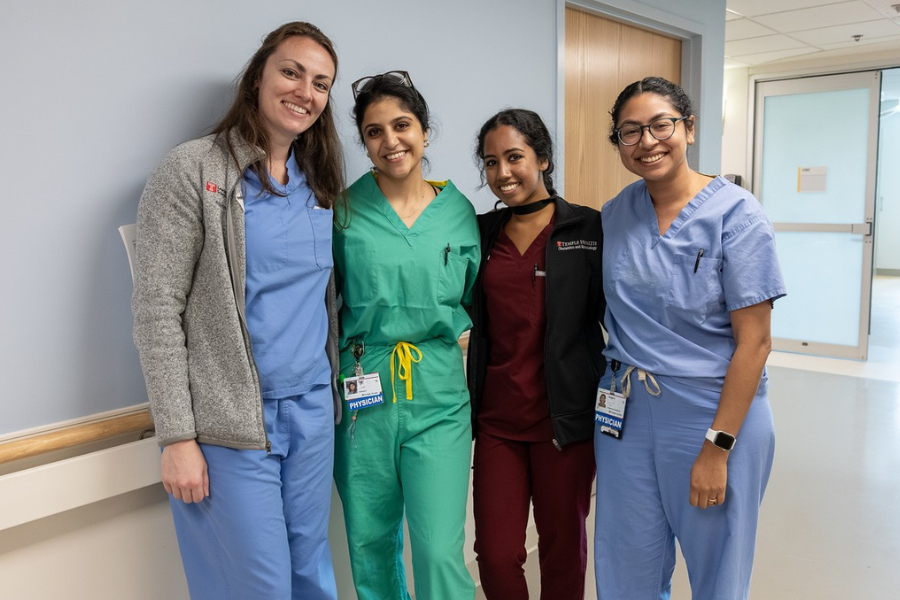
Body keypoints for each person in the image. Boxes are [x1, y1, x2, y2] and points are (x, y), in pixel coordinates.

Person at [132, 22, 344, 600]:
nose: (305, 90)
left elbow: (325, 299)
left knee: (311, 575)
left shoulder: (319, 183)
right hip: (231, 425)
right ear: (257, 77)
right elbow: (157, 310)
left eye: (321, 83)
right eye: (291, 71)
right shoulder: (193, 170)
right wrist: (176, 437)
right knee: (258, 588)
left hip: (312, 411)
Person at [594, 76, 786, 600]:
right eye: (630, 132)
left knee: (717, 569)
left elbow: (756, 343)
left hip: (711, 413)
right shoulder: (615, 215)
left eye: (661, 125)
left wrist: (717, 449)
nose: (648, 141)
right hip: (625, 414)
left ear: (689, 128)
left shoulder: (738, 215)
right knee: (624, 564)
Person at [332, 71, 480, 600]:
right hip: (363, 389)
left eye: (402, 125)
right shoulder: (342, 212)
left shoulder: (460, 214)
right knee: (370, 543)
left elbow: (482, 299)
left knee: (440, 548)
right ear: (364, 142)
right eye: (374, 132)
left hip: (438, 393)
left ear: (425, 131)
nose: (390, 141)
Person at [467, 108, 605, 600]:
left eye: (514, 157)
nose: (502, 173)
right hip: (498, 421)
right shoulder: (480, 234)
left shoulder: (589, 230)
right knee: (498, 554)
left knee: (562, 546)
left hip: (564, 423)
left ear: (543, 159)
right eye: (490, 162)